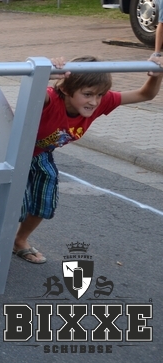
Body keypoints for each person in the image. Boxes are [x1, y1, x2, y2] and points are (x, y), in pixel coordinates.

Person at [13, 55, 163, 264]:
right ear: (66, 89)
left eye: (99, 94)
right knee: (14, 204)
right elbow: (30, 93)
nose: (94, 101)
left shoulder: (99, 103)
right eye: (87, 94)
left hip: (39, 153)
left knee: (45, 197)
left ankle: (19, 240)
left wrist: (156, 75)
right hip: (11, 151)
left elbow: (145, 94)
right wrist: (45, 73)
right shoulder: (50, 99)